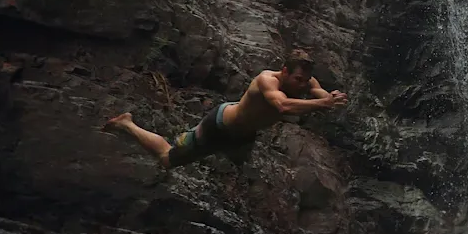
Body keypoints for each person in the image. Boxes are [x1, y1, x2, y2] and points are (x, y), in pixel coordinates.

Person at [102, 49, 348, 169]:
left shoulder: (306, 82)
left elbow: (321, 96)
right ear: (284, 71)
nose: (302, 84)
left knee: (243, 170)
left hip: (244, 137)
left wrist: (331, 97)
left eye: (305, 80)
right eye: (297, 79)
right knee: (168, 160)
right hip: (220, 125)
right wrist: (322, 103)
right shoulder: (267, 80)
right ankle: (127, 123)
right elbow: (282, 106)